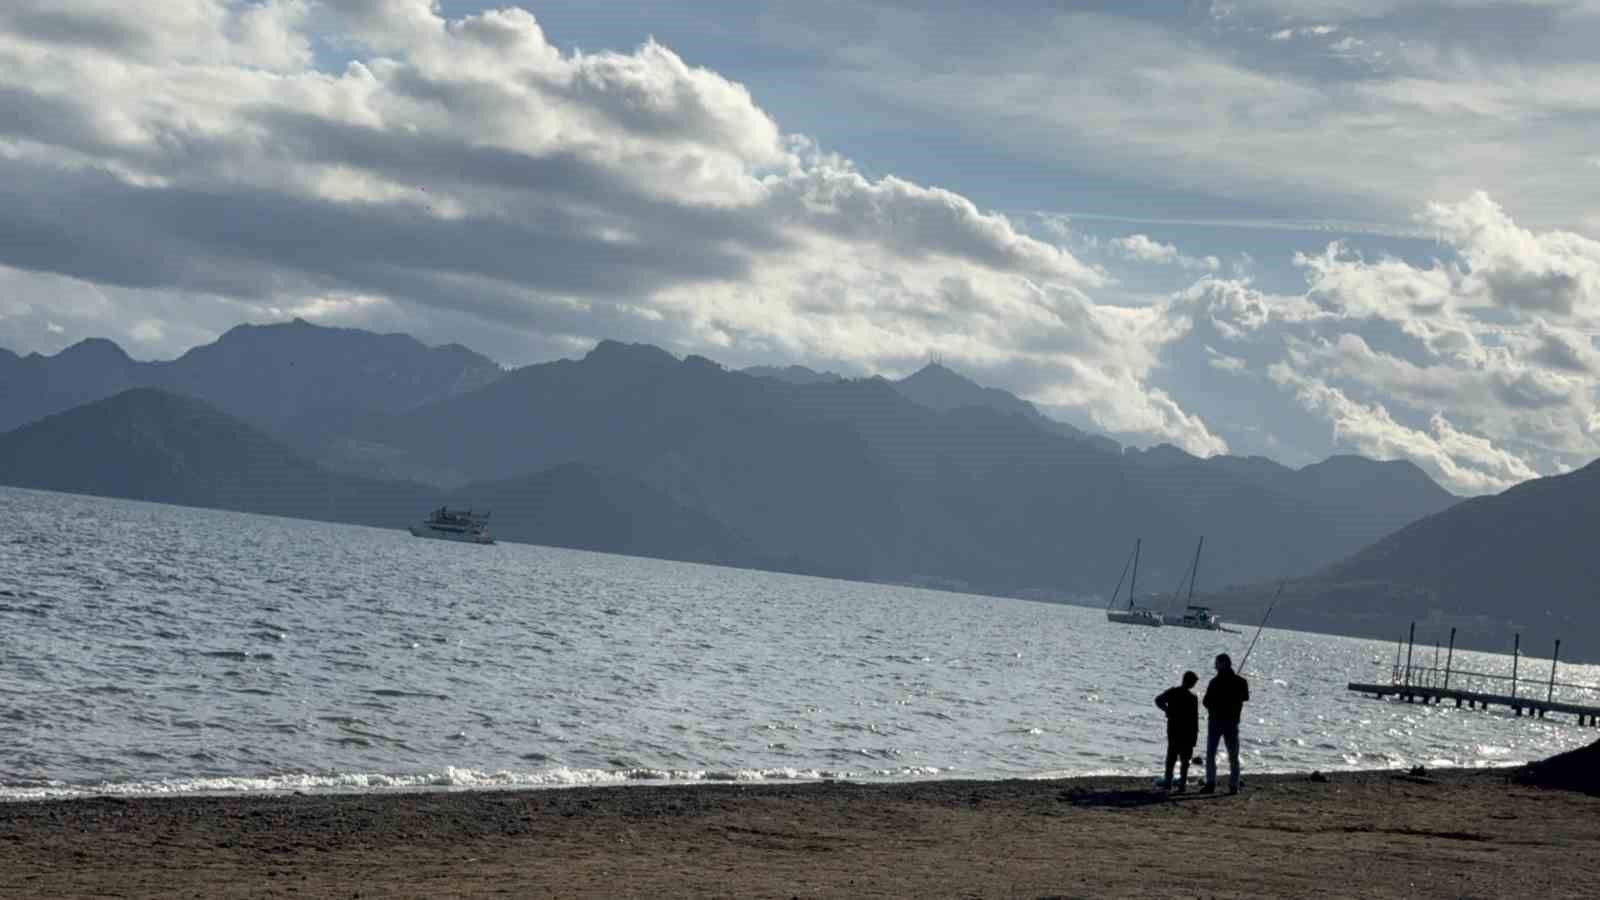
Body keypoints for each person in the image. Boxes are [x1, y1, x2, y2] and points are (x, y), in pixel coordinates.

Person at [1202, 652, 1250, 794]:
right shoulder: (1241, 682)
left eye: (1217, 663)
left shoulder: (1215, 682)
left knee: (1211, 753)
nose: (1215, 665)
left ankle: (1211, 783)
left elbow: (1205, 702)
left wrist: (1215, 705)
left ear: (1223, 664)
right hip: (1232, 722)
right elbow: (1245, 698)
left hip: (1216, 721)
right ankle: (1233, 785)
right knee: (1233, 755)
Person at [1154, 671, 1200, 791]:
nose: (1195, 684)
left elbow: (1158, 700)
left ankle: (1169, 782)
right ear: (1190, 682)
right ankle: (1182, 784)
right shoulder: (1193, 697)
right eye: (1194, 682)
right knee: (1185, 760)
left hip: (1174, 729)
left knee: (1171, 757)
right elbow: (1195, 719)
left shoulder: (1173, 692)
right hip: (1187, 731)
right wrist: (1195, 735)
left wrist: (1167, 710)